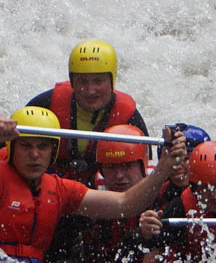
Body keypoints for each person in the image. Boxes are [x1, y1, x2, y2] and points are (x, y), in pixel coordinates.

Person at [0, 106, 187, 263]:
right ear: (12, 149)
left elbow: (125, 204)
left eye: (42, 147)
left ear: (52, 152)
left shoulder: (59, 188)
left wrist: (164, 168)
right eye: (26, 146)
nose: (34, 155)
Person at [24, 39, 148, 185]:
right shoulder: (45, 104)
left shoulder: (129, 116)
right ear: (72, 81)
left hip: (102, 191)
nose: (90, 90)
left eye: (98, 81)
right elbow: (7, 153)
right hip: (49, 184)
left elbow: (144, 170)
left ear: (112, 80)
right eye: (82, 81)